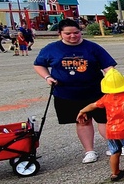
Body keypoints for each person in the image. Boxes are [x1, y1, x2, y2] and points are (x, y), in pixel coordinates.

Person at [32, 18, 118, 164]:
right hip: (68, 93)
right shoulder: (51, 49)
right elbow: (38, 65)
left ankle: (113, 146)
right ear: (60, 33)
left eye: (76, 33)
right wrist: (47, 77)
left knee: (104, 120)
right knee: (82, 121)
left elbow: (108, 66)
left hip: (95, 91)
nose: (73, 36)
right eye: (68, 34)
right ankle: (89, 151)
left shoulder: (92, 47)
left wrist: (113, 79)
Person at [77, 69, 124, 184]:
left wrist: (82, 111)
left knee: (114, 152)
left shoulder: (106, 98)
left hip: (111, 131)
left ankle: (115, 173)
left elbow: (94, 105)